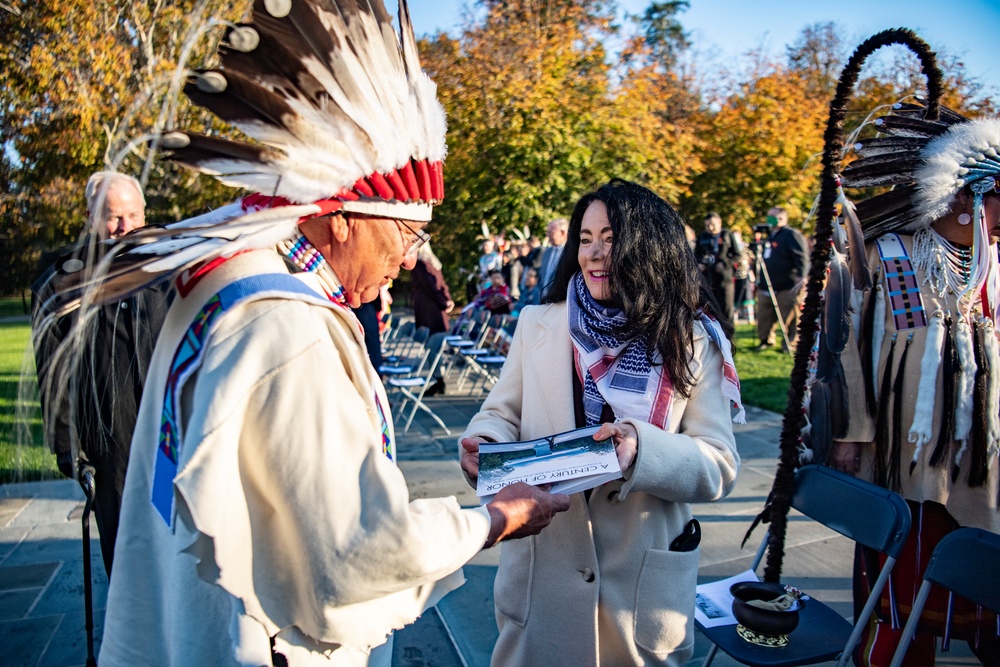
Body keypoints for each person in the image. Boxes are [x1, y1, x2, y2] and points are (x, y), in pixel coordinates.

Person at [35, 2, 571, 664]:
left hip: (189, 619)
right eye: (407, 235)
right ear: (342, 219)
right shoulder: (289, 329)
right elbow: (354, 548)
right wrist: (494, 519)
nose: (410, 260)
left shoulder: (229, 281)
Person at [459, 179, 743, 666]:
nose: (594, 253)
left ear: (648, 246)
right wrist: (486, 440)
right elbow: (502, 412)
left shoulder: (692, 338)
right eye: (585, 238)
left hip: (640, 596)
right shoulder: (539, 322)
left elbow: (718, 463)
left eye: (611, 239)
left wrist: (643, 448)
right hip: (541, 582)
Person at [826, 101, 1000, 666]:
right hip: (905, 460)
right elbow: (851, 346)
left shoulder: (994, 265)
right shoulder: (891, 254)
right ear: (965, 196)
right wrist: (852, 433)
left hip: (982, 460)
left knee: (983, 587)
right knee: (902, 602)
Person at [31, 171, 169, 576]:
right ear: (91, 218)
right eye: (112, 217)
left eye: (132, 214)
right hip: (112, 444)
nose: (124, 227)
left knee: (180, 543)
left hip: (170, 434)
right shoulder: (64, 284)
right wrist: (70, 453)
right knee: (128, 556)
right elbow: (54, 379)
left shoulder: (168, 270)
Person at [755, 206, 808, 350]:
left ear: (781, 218)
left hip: (787, 283)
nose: (769, 220)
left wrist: (800, 275)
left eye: (772, 216)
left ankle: (790, 343)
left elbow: (802, 256)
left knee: (790, 315)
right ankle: (765, 340)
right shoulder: (770, 235)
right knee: (765, 314)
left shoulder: (791, 234)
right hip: (767, 282)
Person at [694, 212, 741, 324]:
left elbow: (737, 255)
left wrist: (725, 263)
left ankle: (729, 335)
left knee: (726, 308)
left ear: (720, 223)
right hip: (708, 278)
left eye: (713, 225)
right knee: (711, 307)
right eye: (707, 225)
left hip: (725, 278)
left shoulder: (727, 235)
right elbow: (696, 256)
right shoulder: (702, 237)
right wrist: (700, 264)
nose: (710, 228)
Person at [410, 242, 453, 335]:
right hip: (434, 303)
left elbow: (431, 287)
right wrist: (446, 300)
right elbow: (441, 285)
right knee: (436, 336)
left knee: (431, 337)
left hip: (428, 306)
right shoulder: (433, 263)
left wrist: (445, 302)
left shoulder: (420, 265)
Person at [537, 217, 568, 297]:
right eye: (547, 232)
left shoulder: (570, 253)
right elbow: (541, 279)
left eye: (551, 232)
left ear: (562, 233)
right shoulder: (547, 252)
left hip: (560, 301)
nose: (548, 235)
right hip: (543, 301)